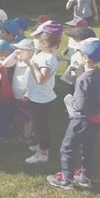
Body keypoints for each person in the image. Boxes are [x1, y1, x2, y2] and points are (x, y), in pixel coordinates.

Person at [47, 37, 100, 190]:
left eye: (79, 52)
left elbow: (79, 105)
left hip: (81, 120)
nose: (77, 54)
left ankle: (65, 180)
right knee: (88, 148)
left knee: (67, 148)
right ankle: (85, 177)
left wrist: (69, 100)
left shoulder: (83, 80)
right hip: (97, 119)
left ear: (85, 58)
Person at [24, 21, 63, 165]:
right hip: (38, 96)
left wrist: (30, 63)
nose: (34, 40)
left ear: (45, 42)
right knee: (41, 124)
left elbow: (41, 79)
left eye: (36, 38)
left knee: (42, 126)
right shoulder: (42, 53)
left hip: (42, 99)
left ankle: (43, 153)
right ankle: (42, 145)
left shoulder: (47, 59)